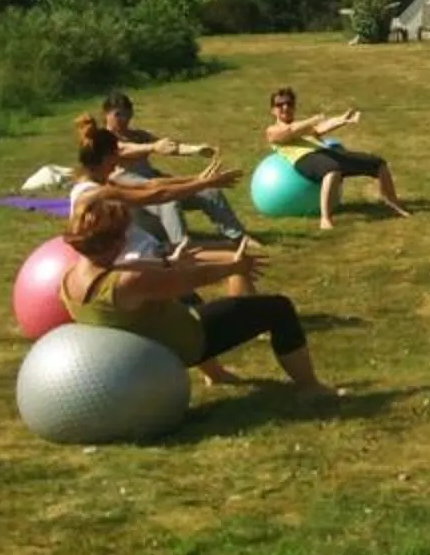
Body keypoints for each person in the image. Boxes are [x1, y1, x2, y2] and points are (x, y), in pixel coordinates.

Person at [59, 190, 331, 394]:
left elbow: (130, 268)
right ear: (117, 239)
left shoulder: (69, 278)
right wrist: (234, 266)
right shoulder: (129, 282)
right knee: (278, 308)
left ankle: (216, 375)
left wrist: (166, 262)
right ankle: (311, 388)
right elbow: (190, 280)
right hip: (186, 344)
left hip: (143, 347)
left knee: (190, 310)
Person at [69, 114, 244, 266]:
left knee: (228, 250)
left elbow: (151, 185)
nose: (117, 164)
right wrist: (204, 184)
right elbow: (158, 195)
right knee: (234, 259)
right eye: (116, 157)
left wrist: (198, 179)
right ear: (106, 157)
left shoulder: (98, 184)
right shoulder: (98, 194)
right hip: (142, 261)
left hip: (150, 251)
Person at [99, 90, 251, 250]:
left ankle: (239, 237)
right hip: (132, 193)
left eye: (127, 115)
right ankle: (181, 247)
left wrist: (196, 149)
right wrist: (153, 147)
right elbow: (122, 150)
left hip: (153, 182)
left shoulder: (138, 135)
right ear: (106, 114)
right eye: (118, 115)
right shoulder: (103, 138)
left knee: (209, 191)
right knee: (169, 201)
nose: (124, 120)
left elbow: (169, 147)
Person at [259, 86, 410, 230]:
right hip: (304, 159)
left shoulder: (303, 126)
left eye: (289, 104)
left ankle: (393, 203)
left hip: (326, 152)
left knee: (378, 163)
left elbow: (318, 129)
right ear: (273, 110)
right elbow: (289, 131)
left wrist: (341, 120)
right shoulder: (272, 131)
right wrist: (313, 119)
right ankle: (325, 218)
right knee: (331, 170)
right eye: (280, 105)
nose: (285, 107)